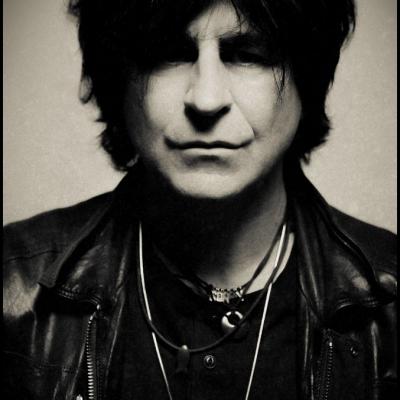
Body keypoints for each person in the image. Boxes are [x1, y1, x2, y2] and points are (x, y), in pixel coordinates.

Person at [3, 0, 396, 399]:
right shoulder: (12, 290)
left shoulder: (390, 300)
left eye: (247, 55)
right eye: (168, 53)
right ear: (115, 80)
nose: (206, 100)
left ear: (307, 80)